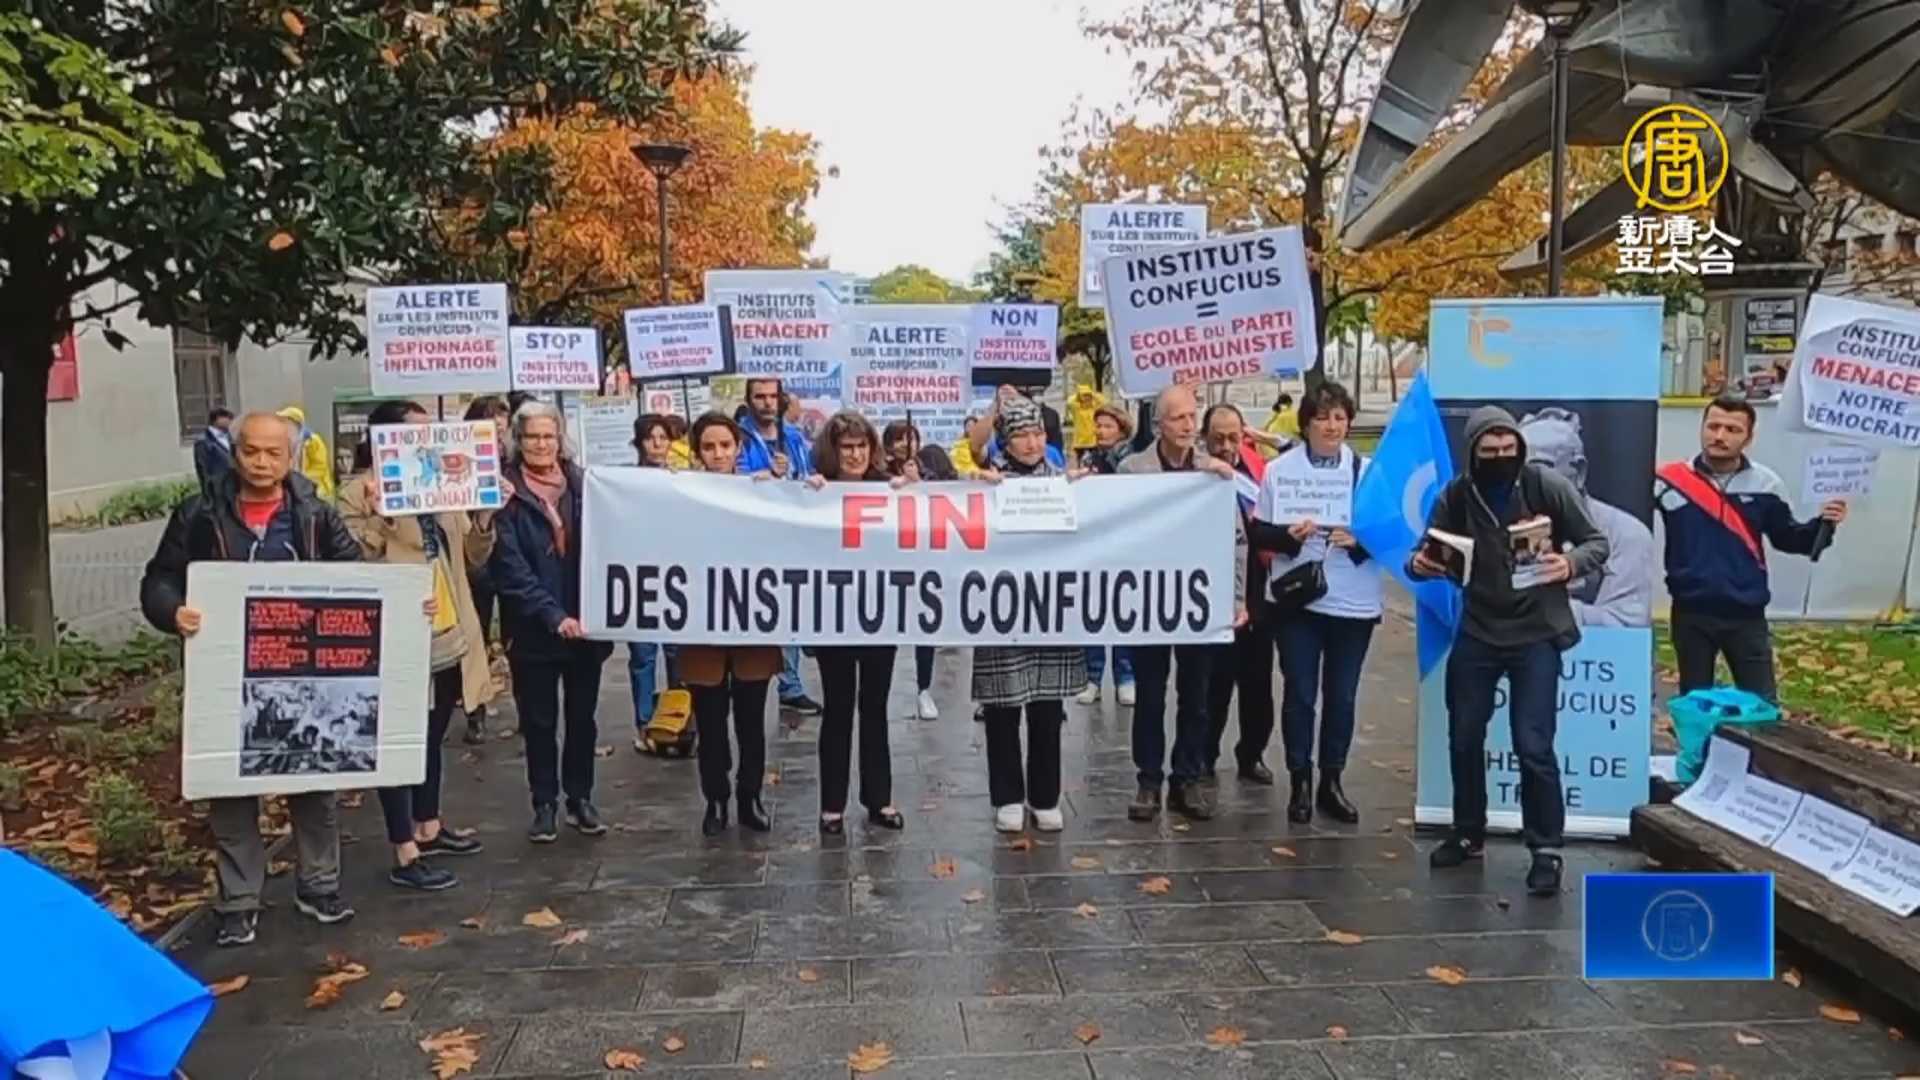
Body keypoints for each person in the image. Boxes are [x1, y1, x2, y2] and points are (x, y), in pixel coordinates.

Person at [138, 412, 366, 947]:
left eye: (273, 453)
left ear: (291, 457)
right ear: (234, 452)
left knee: (314, 779)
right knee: (231, 788)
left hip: (304, 675)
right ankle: (238, 901)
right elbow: (160, 577)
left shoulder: (315, 514)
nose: (262, 463)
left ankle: (320, 886)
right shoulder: (198, 513)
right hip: (226, 671)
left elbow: (358, 578)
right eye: (251, 451)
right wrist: (172, 611)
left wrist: (405, 607)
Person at [1408, 405, 1609, 896]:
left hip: (1536, 631)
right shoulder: (1457, 494)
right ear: (1473, 452)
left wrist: (1569, 564)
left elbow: (1596, 542)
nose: (1500, 456)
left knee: (1533, 743)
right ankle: (1468, 832)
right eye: (1489, 450)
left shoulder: (1545, 486)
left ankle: (1546, 849)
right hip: (1478, 629)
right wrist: (1420, 564)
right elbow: (1422, 553)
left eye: (1508, 447)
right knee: (1464, 735)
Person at [340, 400, 500, 890]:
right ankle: (404, 847)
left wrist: (485, 516)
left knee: (433, 730)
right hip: (397, 632)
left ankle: (428, 825)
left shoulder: (440, 484)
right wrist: (382, 515)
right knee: (400, 737)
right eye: (416, 431)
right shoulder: (355, 494)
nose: (428, 439)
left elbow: (473, 554)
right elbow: (351, 559)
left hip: (450, 625)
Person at [1249, 383, 1382, 821]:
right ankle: (1300, 779)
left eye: (1340, 418)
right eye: (1323, 417)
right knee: (1300, 693)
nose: (1332, 426)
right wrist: (1289, 537)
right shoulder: (1280, 471)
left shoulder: (1367, 473)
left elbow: (1391, 535)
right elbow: (1259, 533)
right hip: (1298, 601)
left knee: (1341, 696)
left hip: (1353, 601)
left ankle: (1332, 780)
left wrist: (1360, 540)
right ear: (1305, 424)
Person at [1656, 395, 1847, 699]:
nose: (1719, 436)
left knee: (1762, 705)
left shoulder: (1766, 484)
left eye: (1732, 430)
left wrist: (1825, 523)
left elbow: (1789, 539)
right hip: (1691, 612)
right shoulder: (1668, 481)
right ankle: (1697, 736)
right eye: (1713, 426)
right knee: (1695, 705)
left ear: (1749, 438)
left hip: (1745, 614)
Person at [1117, 384, 1245, 823]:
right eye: (1179, 418)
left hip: (1199, 601)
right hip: (1151, 600)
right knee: (1150, 694)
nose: (1189, 425)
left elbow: (1236, 539)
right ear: (1159, 425)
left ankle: (1186, 778)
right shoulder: (1133, 471)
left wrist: (1236, 596)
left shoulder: (1213, 473)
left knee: (1197, 695)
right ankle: (1148, 780)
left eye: (1193, 416)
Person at [491, 401, 614, 843]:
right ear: (518, 441)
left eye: (548, 436)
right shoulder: (504, 493)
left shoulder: (586, 486)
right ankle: (544, 803)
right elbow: (510, 567)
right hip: (533, 630)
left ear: (560, 439)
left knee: (582, 719)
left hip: (586, 627)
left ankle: (580, 798)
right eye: (532, 437)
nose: (541, 444)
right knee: (539, 721)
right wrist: (552, 615)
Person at [973, 397, 1089, 833]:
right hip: (1001, 607)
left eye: (1038, 433)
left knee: (1047, 706)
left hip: (1050, 607)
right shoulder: (988, 480)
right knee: (1002, 706)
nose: (1032, 443)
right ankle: (1007, 796)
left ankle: (1044, 796)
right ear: (1006, 440)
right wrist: (978, 487)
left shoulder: (1061, 480)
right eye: (1021, 434)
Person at [803, 411, 905, 835]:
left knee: (875, 707)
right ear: (833, 451)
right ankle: (832, 804)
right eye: (847, 447)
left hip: (880, 613)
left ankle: (879, 798)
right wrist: (804, 494)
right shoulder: (817, 490)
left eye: (862, 446)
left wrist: (912, 490)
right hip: (834, 616)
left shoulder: (889, 488)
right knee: (838, 707)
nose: (855, 454)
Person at [680, 412, 779, 835]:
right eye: (708, 447)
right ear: (697, 452)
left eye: (725, 445)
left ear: (738, 447)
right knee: (711, 722)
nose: (718, 454)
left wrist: (786, 489)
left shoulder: (760, 491)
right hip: (702, 626)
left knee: (752, 722)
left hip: (752, 622)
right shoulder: (682, 494)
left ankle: (749, 795)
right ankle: (715, 798)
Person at [1519, 407, 1655, 627]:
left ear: (1579, 472)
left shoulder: (1627, 534)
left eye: (1540, 469)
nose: (1527, 481)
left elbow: (1626, 623)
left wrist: (1544, 608)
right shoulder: (1500, 526)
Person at [1203, 402, 1278, 786]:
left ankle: (1252, 754)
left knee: (1257, 687)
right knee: (1212, 688)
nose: (1226, 446)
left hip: (1257, 592)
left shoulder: (1258, 472)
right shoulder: (1195, 473)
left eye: (1234, 437)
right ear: (1204, 438)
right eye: (1218, 438)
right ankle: (1204, 756)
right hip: (1210, 595)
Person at [739, 377, 823, 717]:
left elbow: (806, 472)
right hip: (756, 539)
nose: (767, 403)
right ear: (749, 400)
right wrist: (767, 477)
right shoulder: (740, 437)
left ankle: (791, 684)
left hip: (794, 537)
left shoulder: (794, 437)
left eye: (772, 396)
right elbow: (732, 481)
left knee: (793, 609)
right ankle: (774, 682)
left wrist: (813, 480)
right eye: (760, 396)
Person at [882, 419, 958, 721]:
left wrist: (920, 482)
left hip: (924, 561)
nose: (905, 444)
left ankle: (923, 689)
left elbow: (952, 493)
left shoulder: (931, 464)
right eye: (898, 439)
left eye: (910, 437)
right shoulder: (877, 470)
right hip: (888, 561)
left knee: (925, 627)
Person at [459, 396, 512, 744]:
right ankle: (474, 710)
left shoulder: (512, 461)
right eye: (491, 421)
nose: (498, 429)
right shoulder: (461, 461)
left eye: (502, 424)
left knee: (514, 634)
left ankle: (525, 706)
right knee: (473, 634)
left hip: (508, 556)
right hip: (475, 554)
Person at [626, 412, 682, 747]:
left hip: (674, 579)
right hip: (639, 578)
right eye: (651, 438)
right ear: (639, 443)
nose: (658, 444)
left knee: (677, 654)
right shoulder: (627, 483)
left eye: (663, 438)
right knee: (643, 655)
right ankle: (645, 723)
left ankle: (677, 719)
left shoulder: (680, 479)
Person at [1076, 405, 1137, 706]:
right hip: (1094, 545)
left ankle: (1126, 677)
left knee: (1123, 611)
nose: (1101, 431)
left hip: (1125, 545)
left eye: (1108, 426)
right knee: (1094, 612)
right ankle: (1093, 678)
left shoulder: (1132, 460)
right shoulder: (1088, 459)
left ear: (1122, 429)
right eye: (1098, 425)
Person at [275, 405, 335, 499]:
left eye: (284, 421)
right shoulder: (286, 440)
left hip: (317, 491)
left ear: (294, 423)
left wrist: (301, 482)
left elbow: (319, 468)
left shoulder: (312, 441)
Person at [193, 408, 235, 489]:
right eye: (228, 418)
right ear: (218, 419)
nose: (230, 421)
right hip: (218, 488)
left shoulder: (230, 437)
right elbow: (203, 469)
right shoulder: (203, 441)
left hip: (233, 486)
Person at [1067, 383, 1107, 456]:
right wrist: (1078, 393)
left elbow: (1104, 402)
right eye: (1083, 395)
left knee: (1095, 460)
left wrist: (1093, 394)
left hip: (1093, 442)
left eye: (1087, 395)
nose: (1085, 397)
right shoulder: (1077, 408)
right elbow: (1070, 402)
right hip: (1080, 443)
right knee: (1081, 461)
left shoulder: (1094, 408)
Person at [1260, 389, 1299, 459]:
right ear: (1289, 403)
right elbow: (1297, 430)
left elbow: (1264, 429)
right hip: (1282, 449)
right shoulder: (1291, 414)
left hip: (1269, 449)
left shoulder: (1274, 413)